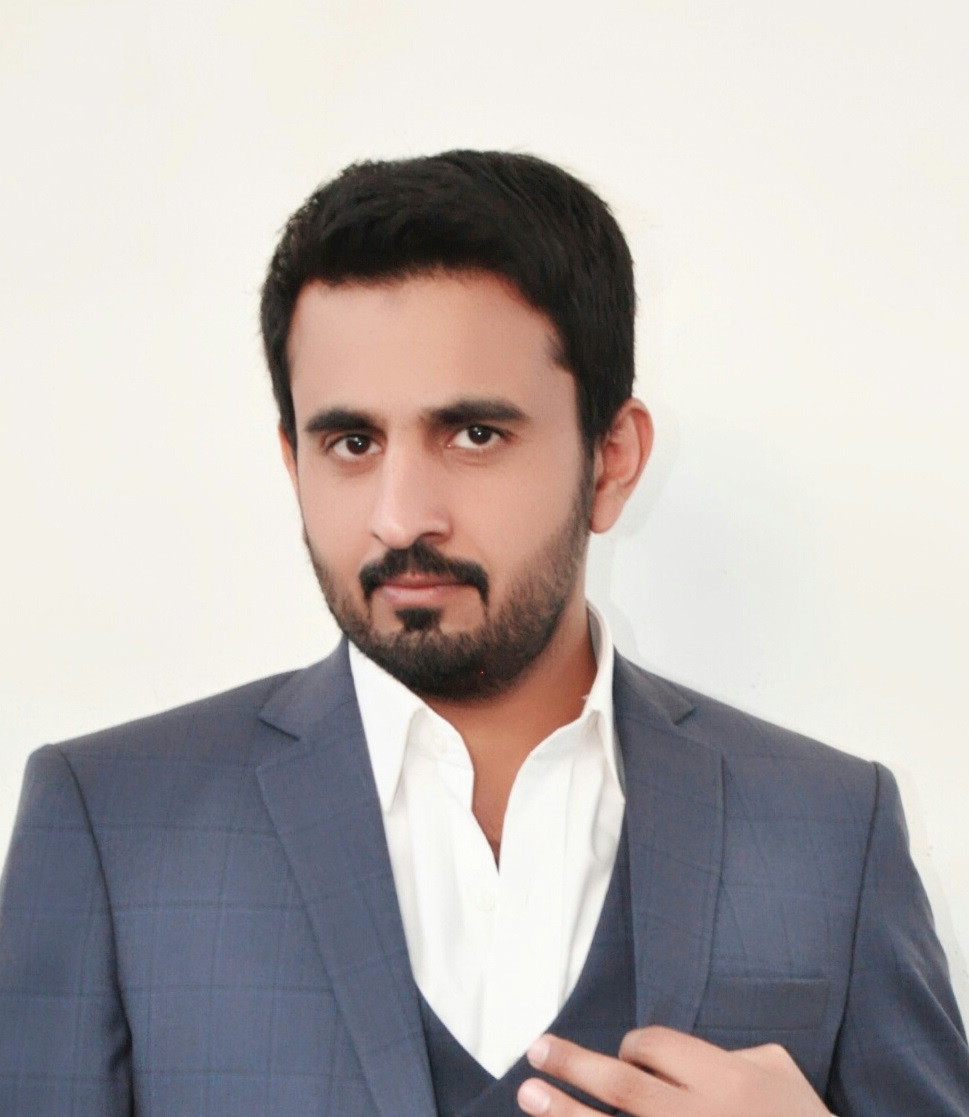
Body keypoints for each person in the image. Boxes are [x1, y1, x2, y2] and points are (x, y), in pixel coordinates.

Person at [0, 150, 966, 1117]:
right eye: (351, 442)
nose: (399, 517)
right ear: (293, 460)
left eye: (473, 435)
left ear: (610, 460)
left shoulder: (830, 829)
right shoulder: (110, 822)